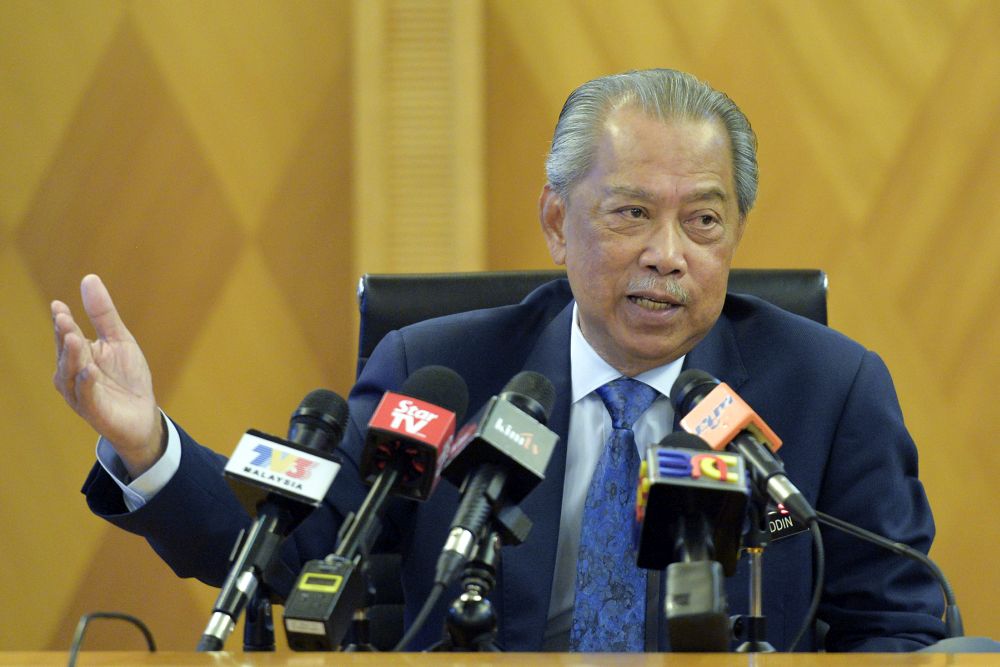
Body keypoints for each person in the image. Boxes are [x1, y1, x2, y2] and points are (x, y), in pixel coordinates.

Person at [52, 69, 946, 652]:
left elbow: (901, 626)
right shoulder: (438, 371)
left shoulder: (831, 388)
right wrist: (148, 447)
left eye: (704, 221)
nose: (670, 254)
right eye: (631, 213)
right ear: (557, 223)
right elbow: (299, 542)